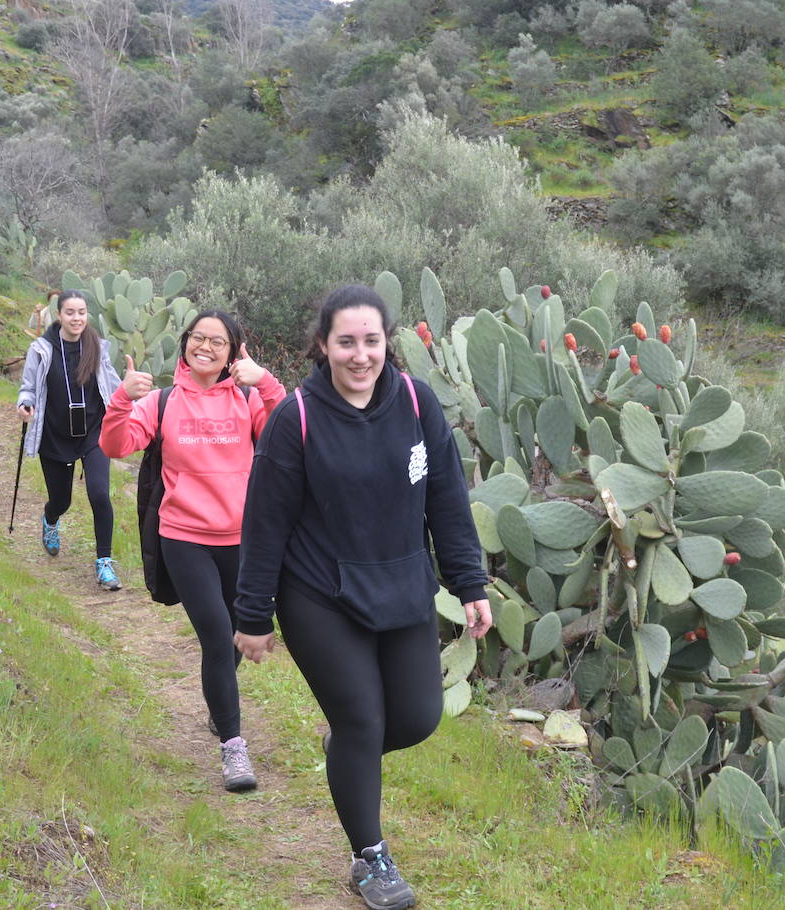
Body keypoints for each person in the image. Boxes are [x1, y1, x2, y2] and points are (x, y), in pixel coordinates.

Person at [232, 284, 492, 910]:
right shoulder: (296, 418)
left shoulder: (415, 401)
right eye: (345, 341)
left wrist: (469, 583)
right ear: (323, 345)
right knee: (362, 718)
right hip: (319, 593)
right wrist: (252, 615)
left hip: (401, 583)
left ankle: (344, 748)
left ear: (386, 343)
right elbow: (264, 523)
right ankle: (370, 860)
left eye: (371, 341)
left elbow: (448, 501)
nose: (359, 355)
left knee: (417, 716)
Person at [99, 310, 285, 792]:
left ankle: (219, 708)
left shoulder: (246, 399)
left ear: (233, 352)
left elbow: (288, 433)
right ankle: (233, 747)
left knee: (238, 637)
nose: (205, 346)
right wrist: (122, 399)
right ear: (184, 344)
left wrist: (265, 382)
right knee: (219, 638)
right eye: (198, 337)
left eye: (217, 341)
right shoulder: (161, 402)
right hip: (183, 537)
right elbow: (116, 445)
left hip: (243, 540)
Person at [16, 290, 124, 590]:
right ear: (59, 315)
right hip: (55, 434)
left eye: (82, 312)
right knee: (61, 500)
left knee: (100, 495)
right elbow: (28, 387)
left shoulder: (98, 348)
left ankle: (104, 563)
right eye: (70, 312)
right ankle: (51, 520)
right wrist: (25, 405)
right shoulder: (41, 349)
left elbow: (114, 387)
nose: (77, 318)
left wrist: (136, 406)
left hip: (93, 432)